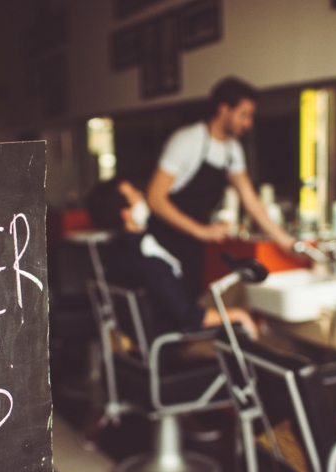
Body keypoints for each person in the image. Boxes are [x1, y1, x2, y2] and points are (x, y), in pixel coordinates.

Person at [146, 77, 297, 299]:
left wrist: (285, 241)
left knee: (190, 304)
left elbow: (251, 200)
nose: (249, 123)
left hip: (193, 247)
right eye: (244, 115)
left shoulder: (232, 149)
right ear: (224, 109)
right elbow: (155, 198)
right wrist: (201, 230)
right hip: (163, 242)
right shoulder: (188, 140)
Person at [86, 176, 258, 339]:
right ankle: (248, 352)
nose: (142, 195)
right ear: (126, 214)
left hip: (157, 329)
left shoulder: (114, 254)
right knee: (254, 322)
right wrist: (239, 316)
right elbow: (192, 318)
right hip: (179, 341)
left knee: (240, 285)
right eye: (135, 195)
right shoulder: (149, 263)